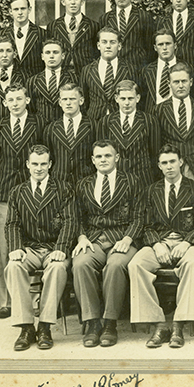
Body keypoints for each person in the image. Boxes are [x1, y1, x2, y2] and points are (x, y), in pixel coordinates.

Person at [129, 144, 194, 348]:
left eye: (173, 161)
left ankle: (178, 324)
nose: (169, 166)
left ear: (181, 162)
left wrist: (188, 242)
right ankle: (159, 323)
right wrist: (156, 244)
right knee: (136, 265)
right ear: (159, 166)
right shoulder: (151, 190)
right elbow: (145, 224)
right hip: (159, 242)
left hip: (187, 241)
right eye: (164, 163)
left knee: (193, 264)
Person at [4, 145, 76, 351]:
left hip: (55, 247)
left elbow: (70, 221)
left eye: (43, 164)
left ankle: (45, 326)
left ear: (50, 164)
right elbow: (11, 224)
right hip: (31, 249)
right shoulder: (17, 192)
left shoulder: (63, 189)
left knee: (57, 268)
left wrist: (61, 247)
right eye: (34, 164)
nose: (39, 168)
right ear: (27, 165)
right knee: (13, 266)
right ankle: (26, 327)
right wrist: (16, 248)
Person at [72, 140, 143, 347]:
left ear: (117, 158)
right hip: (93, 239)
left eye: (108, 156)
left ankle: (110, 323)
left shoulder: (132, 181)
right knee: (80, 263)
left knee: (115, 265)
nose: (104, 160)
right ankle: (93, 323)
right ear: (93, 160)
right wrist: (81, 237)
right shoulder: (83, 184)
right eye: (99, 157)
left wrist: (128, 238)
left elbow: (139, 217)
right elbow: (77, 217)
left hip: (122, 238)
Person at [0, 82, 44, 319]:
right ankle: (7, 302)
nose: (15, 104)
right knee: (6, 248)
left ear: (27, 101)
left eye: (19, 99)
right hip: (4, 191)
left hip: (31, 191)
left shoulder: (38, 123)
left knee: (32, 244)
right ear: (5, 103)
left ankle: (34, 300)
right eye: (10, 100)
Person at [96, 80, 160, 187]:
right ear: (116, 99)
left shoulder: (149, 121)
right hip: (116, 179)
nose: (126, 103)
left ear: (138, 98)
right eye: (123, 99)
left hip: (143, 179)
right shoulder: (106, 122)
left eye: (130, 98)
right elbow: (102, 152)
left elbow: (155, 153)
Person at [155, 63, 194, 182]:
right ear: (169, 83)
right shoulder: (159, 110)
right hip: (171, 171)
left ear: (190, 82)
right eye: (176, 82)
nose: (180, 86)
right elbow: (157, 144)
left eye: (184, 81)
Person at [42, 81, 95, 192]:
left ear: (81, 101)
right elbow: (49, 157)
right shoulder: (51, 128)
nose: (68, 103)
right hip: (59, 185)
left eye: (72, 99)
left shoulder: (93, 125)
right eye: (65, 99)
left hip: (86, 184)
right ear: (60, 102)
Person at [78, 26, 137, 124]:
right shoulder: (87, 70)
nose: (108, 46)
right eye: (104, 42)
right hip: (94, 122)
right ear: (98, 45)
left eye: (112, 42)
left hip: (121, 122)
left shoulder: (130, 69)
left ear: (119, 46)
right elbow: (83, 100)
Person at [101, 0, 155, 67]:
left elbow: (150, 49)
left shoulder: (143, 17)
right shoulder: (105, 18)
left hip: (137, 70)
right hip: (114, 70)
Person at [46, 0, 100, 75]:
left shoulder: (93, 26)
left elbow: (97, 53)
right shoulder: (53, 26)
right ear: (63, 1)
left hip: (85, 75)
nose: (73, 2)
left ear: (82, 1)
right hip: (61, 75)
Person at [27, 38, 76, 123]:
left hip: (64, 127)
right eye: (48, 52)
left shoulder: (73, 78)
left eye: (55, 52)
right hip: (40, 127)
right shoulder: (33, 81)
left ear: (63, 56)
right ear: (42, 56)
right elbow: (31, 108)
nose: (51, 56)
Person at [4, 0, 45, 78]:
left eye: (23, 8)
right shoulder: (3, 34)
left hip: (34, 84)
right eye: (16, 9)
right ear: (10, 11)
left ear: (29, 10)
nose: (20, 13)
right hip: (12, 86)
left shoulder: (42, 34)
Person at [141, 28, 179, 114]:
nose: (164, 48)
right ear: (155, 47)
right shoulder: (147, 70)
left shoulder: (186, 67)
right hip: (153, 117)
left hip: (177, 116)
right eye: (160, 44)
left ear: (175, 45)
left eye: (168, 44)